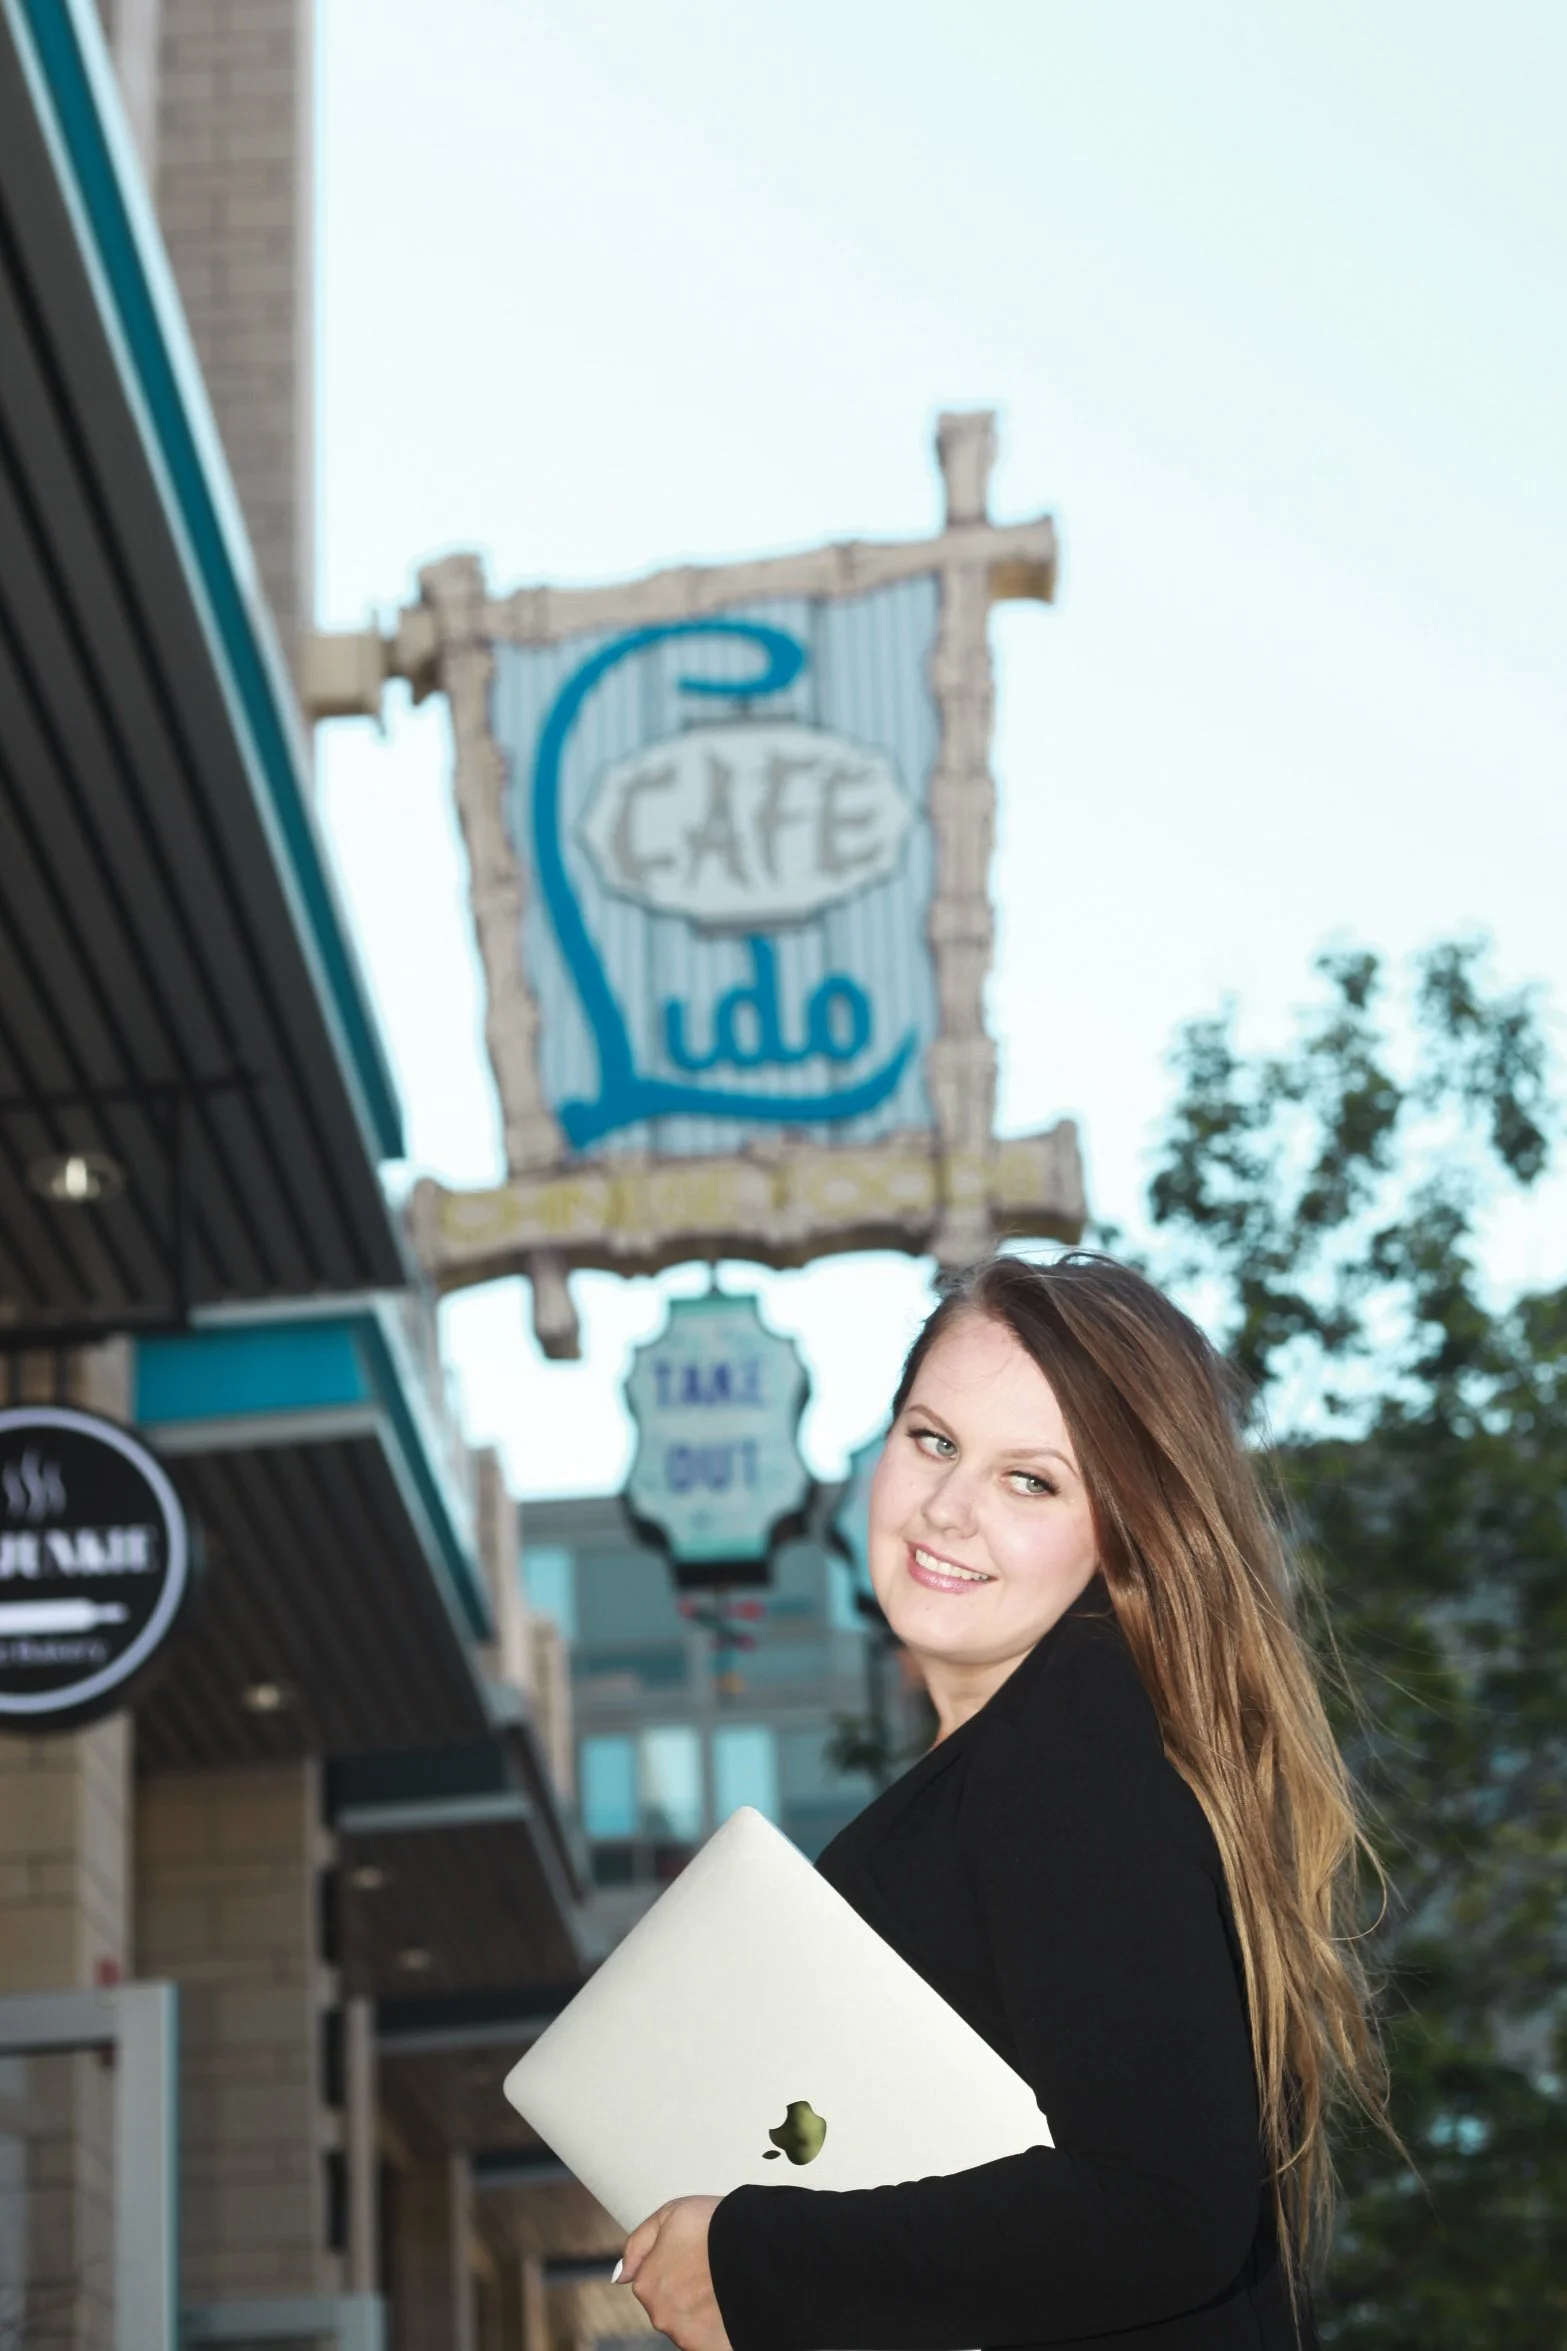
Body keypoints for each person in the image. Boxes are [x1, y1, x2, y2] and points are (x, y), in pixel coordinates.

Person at [618, 1252, 1389, 2350]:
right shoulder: (1038, 1746)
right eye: (931, 1440)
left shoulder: (1069, 1730)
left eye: (1030, 1480)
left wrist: (746, 2257)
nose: (946, 1508)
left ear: (1124, 1532)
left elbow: (1162, 2205)